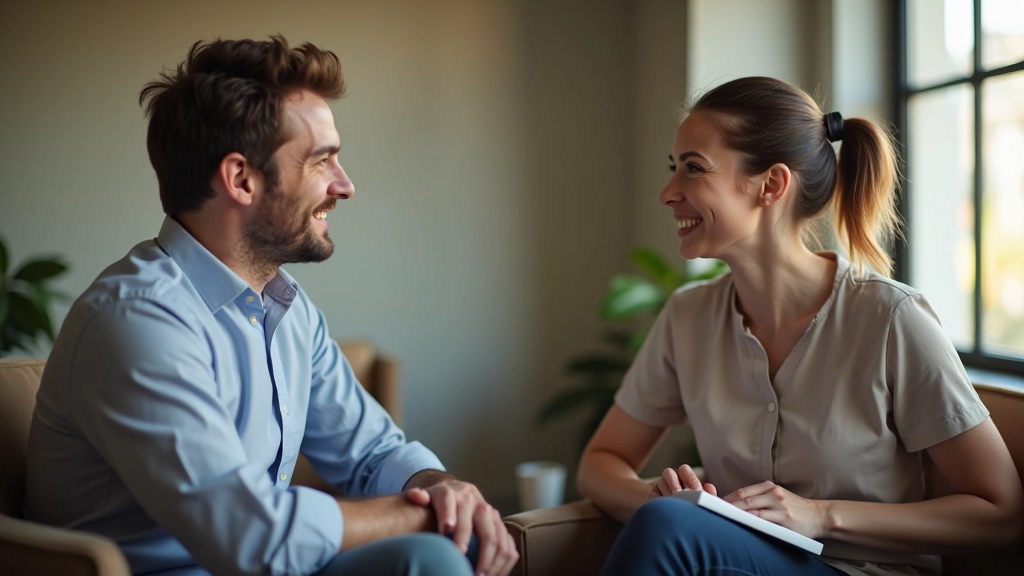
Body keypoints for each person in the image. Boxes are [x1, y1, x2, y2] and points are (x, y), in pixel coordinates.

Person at [24, 36, 517, 576]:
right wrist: (415, 516)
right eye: (322, 160)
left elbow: (373, 452)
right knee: (430, 549)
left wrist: (442, 488)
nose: (345, 185)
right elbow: (252, 538)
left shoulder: (286, 308)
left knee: (439, 549)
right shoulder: (135, 320)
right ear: (241, 179)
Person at [576, 76, 1024, 576]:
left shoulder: (890, 318)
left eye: (693, 169)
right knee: (668, 522)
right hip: (741, 561)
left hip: (863, 571)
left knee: (669, 529)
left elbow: (999, 511)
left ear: (771, 185)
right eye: (673, 168)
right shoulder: (688, 317)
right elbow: (602, 461)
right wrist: (654, 497)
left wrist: (820, 516)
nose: (667, 192)